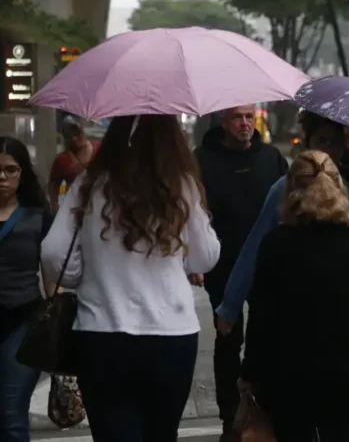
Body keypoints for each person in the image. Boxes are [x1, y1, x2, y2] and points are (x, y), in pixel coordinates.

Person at [40, 115, 221, 441]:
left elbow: (53, 253)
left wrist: (83, 274)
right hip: (172, 334)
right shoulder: (182, 185)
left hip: (102, 333)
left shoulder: (90, 183)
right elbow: (206, 256)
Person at [240, 151, 349, 441]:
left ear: (291, 189)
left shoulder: (276, 245)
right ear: (339, 187)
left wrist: (250, 373)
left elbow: (261, 318)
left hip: (289, 376)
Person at [215, 111, 349, 335]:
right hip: (299, 304)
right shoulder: (287, 188)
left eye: (335, 141)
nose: (329, 148)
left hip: (348, 304)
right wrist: (231, 305)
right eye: (322, 140)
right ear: (308, 142)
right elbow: (255, 245)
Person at [193, 104, 288, 440]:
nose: (245, 123)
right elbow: (193, 212)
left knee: (264, 339)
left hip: (268, 265)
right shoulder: (201, 159)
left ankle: (264, 408)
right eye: (238, 117)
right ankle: (229, 414)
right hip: (222, 264)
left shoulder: (272, 158)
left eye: (250, 117)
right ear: (224, 122)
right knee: (227, 340)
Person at [0, 137, 54, 442]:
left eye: (11, 170)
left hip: (22, 322)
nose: (3, 178)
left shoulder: (38, 215)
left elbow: (50, 270)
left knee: (10, 414)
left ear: (22, 173)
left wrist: (57, 313)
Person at [48, 117, 99, 213]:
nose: (74, 139)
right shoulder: (62, 160)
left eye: (77, 134)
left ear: (83, 131)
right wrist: (55, 206)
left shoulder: (99, 150)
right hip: (73, 207)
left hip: (97, 204)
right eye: (69, 136)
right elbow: (53, 184)